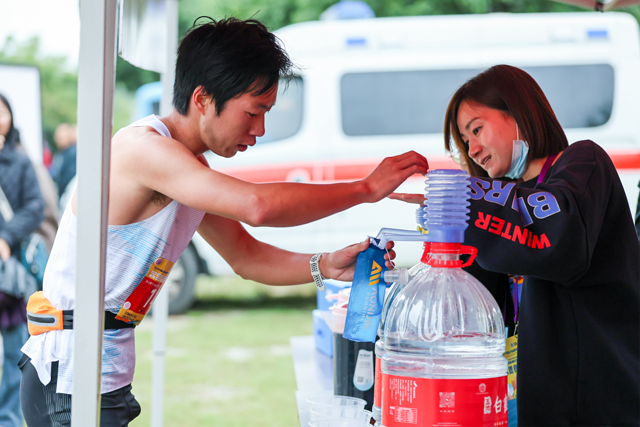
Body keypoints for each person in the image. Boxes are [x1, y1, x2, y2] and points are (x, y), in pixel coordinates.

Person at [19, 17, 429, 426]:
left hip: (102, 374)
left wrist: (324, 266)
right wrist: (365, 189)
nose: (260, 129)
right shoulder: (143, 149)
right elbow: (257, 206)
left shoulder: (189, 167)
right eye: (253, 111)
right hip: (68, 374)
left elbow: (246, 256)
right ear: (203, 98)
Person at [391, 64, 640, 426]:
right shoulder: (502, 200)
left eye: (477, 129)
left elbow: (558, 239)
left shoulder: (583, 162)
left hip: (597, 401)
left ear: (519, 112)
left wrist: (467, 196)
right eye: (464, 142)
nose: (473, 149)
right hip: (527, 398)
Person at [0, 93, 45, 427]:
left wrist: (5, 237)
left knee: (16, 350)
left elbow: (34, 207)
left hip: (9, 271)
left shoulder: (20, 160)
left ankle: (9, 419)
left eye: (2, 112)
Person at [49, 123, 77, 199]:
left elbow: (68, 177)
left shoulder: (72, 154)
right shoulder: (60, 153)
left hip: (67, 194)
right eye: (58, 137)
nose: (59, 140)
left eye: (62, 138)